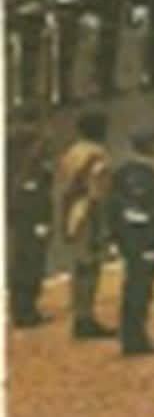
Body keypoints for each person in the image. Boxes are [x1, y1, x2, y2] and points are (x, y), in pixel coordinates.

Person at [108, 124, 154, 358]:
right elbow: (153, 215)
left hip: (127, 240)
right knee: (141, 291)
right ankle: (136, 338)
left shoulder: (121, 173)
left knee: (131, 286)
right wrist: (152, 246)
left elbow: (113, 207)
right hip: (144, 243)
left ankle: (129, 335)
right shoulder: (151, 177)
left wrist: (115, 238)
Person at [58, 107, 114, 340]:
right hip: (88, 214)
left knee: (79, 265)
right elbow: (97, 194)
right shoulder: (97, 155)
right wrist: (103, 226)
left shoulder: (71, 152)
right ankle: (85, 318)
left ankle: (80, 315)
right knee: (90, 267)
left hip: (72, 211)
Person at [6, 116, 54, 327]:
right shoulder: (28, 172)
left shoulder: (24, 169)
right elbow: (31, 198)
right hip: (31, 223)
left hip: (26, 221)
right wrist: (40, 222)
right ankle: (25, 310)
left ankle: (25, 307)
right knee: (29, 264)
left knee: (27, 263)